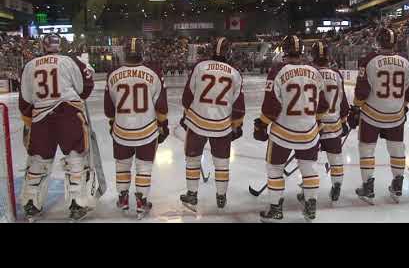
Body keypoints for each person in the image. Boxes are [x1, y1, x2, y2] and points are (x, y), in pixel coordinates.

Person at [19, 33, 95, 221]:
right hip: (68, 113)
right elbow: (85, 86)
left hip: (41, 118)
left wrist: (31, 122)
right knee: (75, 158)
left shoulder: (29, 65)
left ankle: (31, 203)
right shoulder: (71, 61)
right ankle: (77, 203)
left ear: (43, 45)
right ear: (59, 45)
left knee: (37, 160)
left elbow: (26, 100)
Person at [254, 35, 329, 222]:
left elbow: (271, 105)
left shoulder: (277, 71)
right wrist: (317, 122)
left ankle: (276, 208)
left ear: (284, 51)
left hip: (283, 132)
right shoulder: (314, 71)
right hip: (309, 132)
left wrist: (262, 124)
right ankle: (311, 206)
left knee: (274, 168)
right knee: (309, 169)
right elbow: (323, 105)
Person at [104, 38, 169, 219]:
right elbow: (162, 107)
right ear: (142, 53)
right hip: (146, 129)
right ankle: (141, 202)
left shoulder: (113, 74)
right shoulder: (153, 73)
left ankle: (123, 198)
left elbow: (109, 108)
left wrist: (112, 122)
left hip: (122, 129)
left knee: (122, 166)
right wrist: (163, 124)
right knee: (144, 167)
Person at [348, 28, 409, 205]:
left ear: (378, 42)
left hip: (372, 114)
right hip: (396, 115)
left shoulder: (370, 60)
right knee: (397, 148)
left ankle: (368, 186)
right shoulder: (405, 62)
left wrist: (355, 107)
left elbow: (362, 90)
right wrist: (402, 107)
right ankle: (398, 183)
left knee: (367, 149)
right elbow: (408, 94)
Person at [179, 37, 244, 211]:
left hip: (197, 122)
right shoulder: (235, 73)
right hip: (222, 125)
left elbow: (187, 97)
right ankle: (221, 196)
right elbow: (238, 106)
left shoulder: (200, 67)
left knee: (192, 160)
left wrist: (187, 115)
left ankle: (192, 195)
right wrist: (237, 124)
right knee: (222, 163)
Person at [308, 41, 349, 203]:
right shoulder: (337, 75)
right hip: (333, 123)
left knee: (308, 162)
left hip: (313, 125)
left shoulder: (309, 73)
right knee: (335, 157)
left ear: (313, 56)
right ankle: (337, 185)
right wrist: (344, 119)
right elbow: (343, 101)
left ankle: (307, 191)